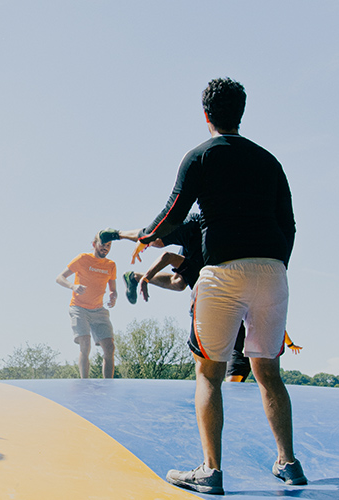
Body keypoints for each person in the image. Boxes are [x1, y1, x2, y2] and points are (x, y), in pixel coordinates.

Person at [101, 78, 304, 494]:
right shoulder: (270, 161)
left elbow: (167, 222)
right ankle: (289, 462)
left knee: (208, 373)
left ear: (206, 114)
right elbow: (290, 224)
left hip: (223, 274)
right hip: (273, 271)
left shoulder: (200, 156)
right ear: (241, 113)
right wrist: (275, 265)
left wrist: (128, 234)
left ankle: (211, 471)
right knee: (269, 372)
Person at [120, 214, 302, 383]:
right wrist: (145, 270)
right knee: (177, 278)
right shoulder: (202, 265)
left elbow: (269, 317)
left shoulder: (206, 274)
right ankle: (125, 247)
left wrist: (145, 276)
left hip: (218, 277)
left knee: (178, 283)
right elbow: (166, 251)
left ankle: (135, 272)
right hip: (213, 262)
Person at [56, 233, 118, 378]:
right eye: (103, 245)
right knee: (85, 343)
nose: (105, 248)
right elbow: (60, 278)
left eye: (108, 246)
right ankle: (85, 383)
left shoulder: (111, 265)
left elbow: (113, 289)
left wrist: (113, 296)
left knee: (109, 347)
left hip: (99, 310)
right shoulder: (83, 259)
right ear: (94, 244)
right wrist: (73, 286)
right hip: (79, 308)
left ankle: (108, 385)